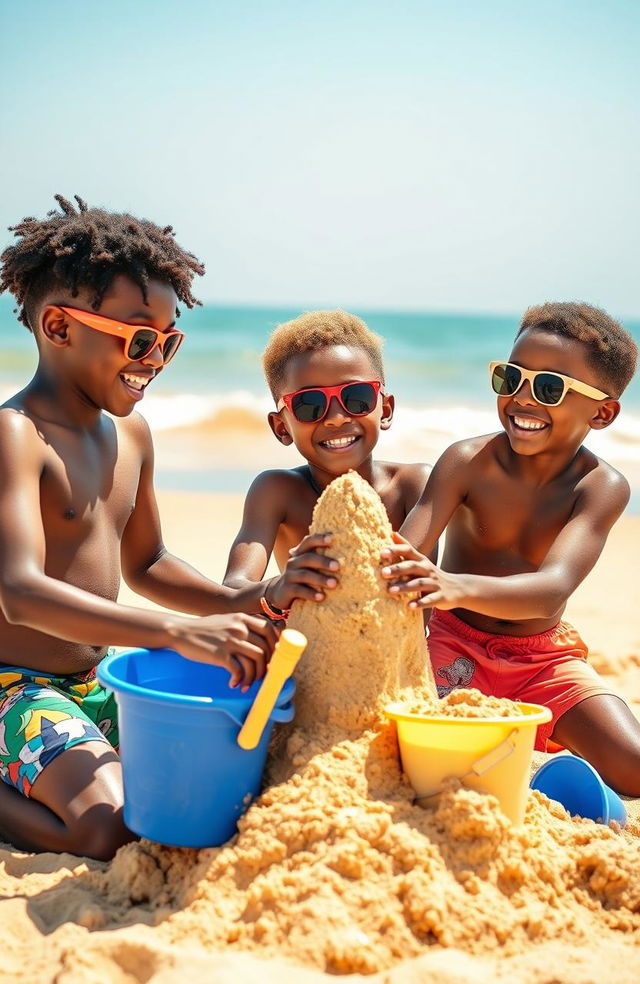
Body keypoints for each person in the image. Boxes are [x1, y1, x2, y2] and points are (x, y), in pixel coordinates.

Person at [0, 195, 279, 859]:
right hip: (13, 687)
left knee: (240, 775)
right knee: (111, 826)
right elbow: (19, 591)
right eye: (140, 338)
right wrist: (180, 631)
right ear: (59, 327)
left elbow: (147, 563)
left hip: (97, 679)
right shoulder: (17, 435)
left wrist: (246, 601)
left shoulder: (131, 433)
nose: (155, 359)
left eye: (169, 341)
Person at [381, 301, 640, 795]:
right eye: (510, 377)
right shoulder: (466, 460)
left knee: (633, 767)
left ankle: (534, 762)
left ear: (603, 412)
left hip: (543, 659)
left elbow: (551, 590)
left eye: (549, 388)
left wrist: (450, 585)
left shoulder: (601, 486)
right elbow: (407, 549)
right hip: (451, 643)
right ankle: (529, 770)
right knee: (412, 744)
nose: (522, 399)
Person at [223, 309, 432, 615]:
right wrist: (279, 588)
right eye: (310, 405)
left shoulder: (412, 486)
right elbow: (233, 588)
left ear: (384, 409)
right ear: (282, 427)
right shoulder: (277, 491)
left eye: (356, 397)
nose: (336, 418)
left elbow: (410, 592)